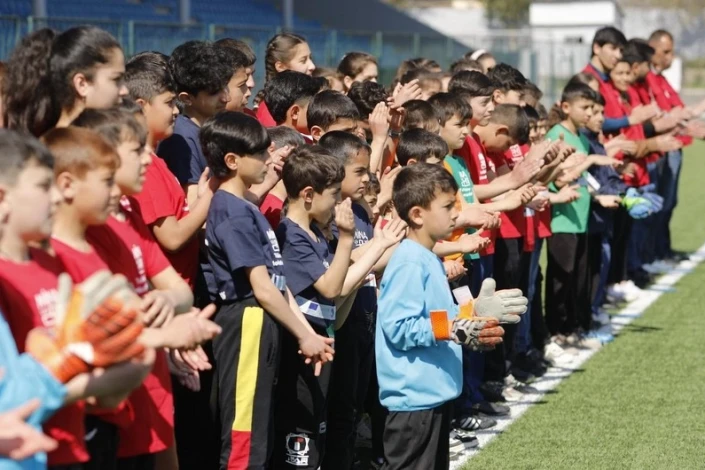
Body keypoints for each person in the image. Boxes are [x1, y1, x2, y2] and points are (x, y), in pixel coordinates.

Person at [200, 112, 334, 469]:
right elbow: (261, 287)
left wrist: (308, 333)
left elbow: (277, 282)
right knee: (244, 434)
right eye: (260, 154)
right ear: (232, 161)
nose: (268, 160)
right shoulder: (231, 211)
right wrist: (303, 335)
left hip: (262, 323)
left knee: (261, 431)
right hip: (245, 322)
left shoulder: (247, 206)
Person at [376, 162, 509, 470]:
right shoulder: (409, 261)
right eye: (448, 206)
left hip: (433, 393)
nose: (455, 213)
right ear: (417, 214)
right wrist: (455, 329)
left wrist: (474, 312)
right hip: (413, 402)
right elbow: (399, 327)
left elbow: (439, 316)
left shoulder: (427, 256)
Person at [318, 131, 405, 470]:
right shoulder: (331, 217)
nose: (368, 177)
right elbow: (346, 267)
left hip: (366, 319)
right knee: (339, 412)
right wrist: (385, 244)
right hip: (341, 325)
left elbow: (370, 260)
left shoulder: (358, 207)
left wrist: (392, 241)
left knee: (355, 408)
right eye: (359, 171)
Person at [156, 40, 233, 204]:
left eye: (225, 87)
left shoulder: (211, 130)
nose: (227, 98)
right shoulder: (181, 140)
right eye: (214, 93)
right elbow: (192, 206)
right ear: (187, 98)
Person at [254, 33, 316, 127]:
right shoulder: (271, 112)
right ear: (281, 67)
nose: (312, 66)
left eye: (310, 58)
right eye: (303, 61)